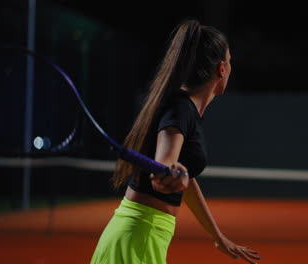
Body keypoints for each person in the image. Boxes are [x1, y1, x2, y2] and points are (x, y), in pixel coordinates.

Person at [90, 20, 261, 264]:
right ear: (221, 69)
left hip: (144, 234)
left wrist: (218, 236)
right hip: (138, 237)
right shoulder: (180, 109)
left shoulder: (185, 109)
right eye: (230, 61)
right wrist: (169, 173)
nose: (231, 67)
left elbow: (186, 180)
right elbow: (165, 164)